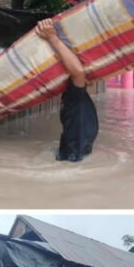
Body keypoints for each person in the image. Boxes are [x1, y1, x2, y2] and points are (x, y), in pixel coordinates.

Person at [34, 18, 98, 162]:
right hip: (73, 156)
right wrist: (52, 38)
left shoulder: (77, 96)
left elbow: (80, 73)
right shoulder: (73, 96)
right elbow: (79, 72)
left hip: (73, 154)